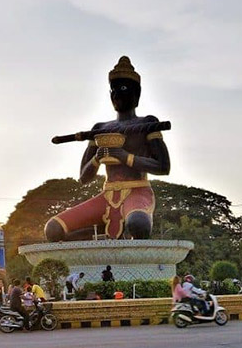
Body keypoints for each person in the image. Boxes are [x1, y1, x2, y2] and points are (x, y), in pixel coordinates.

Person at [44, 56, 171, 242]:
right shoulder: (100, 129)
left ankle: (130, 248)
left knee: (138, 224)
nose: (117, 94)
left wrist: (125, 157)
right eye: (113, 90)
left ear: (136, 96)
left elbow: (163, 167)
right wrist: (96, 159)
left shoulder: (147, 123)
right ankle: (97, 241)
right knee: (54, 229)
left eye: (124, 90)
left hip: (137, 191)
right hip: (106, 195)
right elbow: (84, 178)